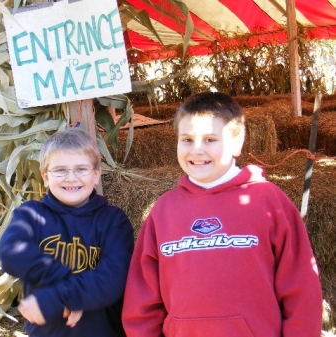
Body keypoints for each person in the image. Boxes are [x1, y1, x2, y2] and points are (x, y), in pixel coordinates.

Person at [122, 92, 322, 337]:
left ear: (237, 143)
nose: (196, 150)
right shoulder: (164, 210)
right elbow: (142, 297)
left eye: (210, 139)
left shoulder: (268, 202)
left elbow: (301, 287)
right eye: (186, 139)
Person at [0, 127, 134, 337]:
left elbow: (112, 279)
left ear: (96, 175)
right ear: (45, 177)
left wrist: (58, 297)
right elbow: (11, 252)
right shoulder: (31, 216)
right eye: (60, 170)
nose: (71, 178)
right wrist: (65, 287)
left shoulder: (113, 221)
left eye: (81, 169)